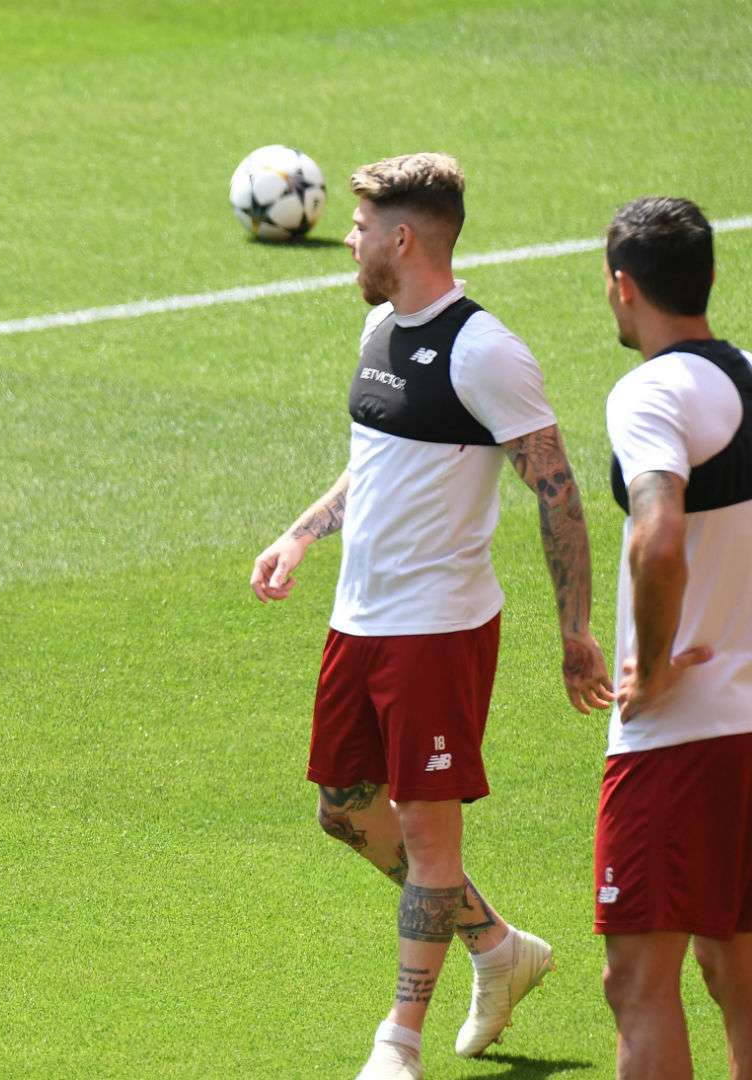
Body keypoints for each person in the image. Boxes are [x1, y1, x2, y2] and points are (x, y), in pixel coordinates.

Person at [248, 153, 612, 1079]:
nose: (352, 240)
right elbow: (373, 461)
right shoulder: (378, 325)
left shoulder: (486, 352)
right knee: (343, 809)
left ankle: (397, 1043)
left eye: (364, 228)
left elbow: (558, 490)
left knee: (425, 830)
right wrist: (301, 534)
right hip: (358, 618)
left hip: (438, 629)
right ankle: (497, 947)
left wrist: (575, 631)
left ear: (403, 238)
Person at [597, 196, 752, 1079]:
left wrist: (651, 671)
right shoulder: (749, 374)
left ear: (624, 287)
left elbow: (657, 537)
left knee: (637, 979)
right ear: (710, 278)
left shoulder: (650, 392)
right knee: (737, 965)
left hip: (684, 732)